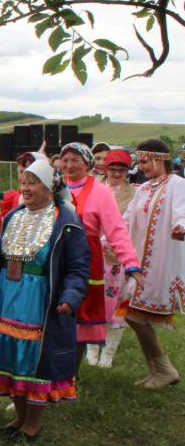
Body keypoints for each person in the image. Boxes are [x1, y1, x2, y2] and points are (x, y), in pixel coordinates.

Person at [0, 155, 89, 440]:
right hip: (8, 293)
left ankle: (33, 423)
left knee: (34, 356)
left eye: (33, 183)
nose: (25, 188)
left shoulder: (66, 221)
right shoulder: (14, 215)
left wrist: (71, 296)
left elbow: (78, 265)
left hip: (39, 297)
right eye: (23, 182)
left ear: (49, 188)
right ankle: (20, 416)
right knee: (13, 353)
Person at [59, 142, 142, 368]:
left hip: (85, 261)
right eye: (65, 160)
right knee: (51, 316)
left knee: (77, 317)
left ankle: (69, 375)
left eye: (75, 160)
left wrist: (131, 263)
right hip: (54, 260)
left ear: (88, 163)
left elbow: (116, 230)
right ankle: (48, 376)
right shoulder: (53, 187)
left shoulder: (100, 191)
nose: (69, 165)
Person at [121, 139, 185, 388]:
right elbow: (127, 220)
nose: (141, 165)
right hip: (140, 263)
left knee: (134, 314)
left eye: (145, 160)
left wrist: (181, 226)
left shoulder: (178, 184)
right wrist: (107, 240)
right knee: (133, 314)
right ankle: (157, 369)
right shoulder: (145, 188)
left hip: (161, 262)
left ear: (159, 159)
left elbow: (181, 211)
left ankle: (164, 369)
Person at [88, 149, 137, 367]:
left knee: (118, 304)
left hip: (118, 257)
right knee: (93, 300)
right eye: (113, 168)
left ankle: (108, 352)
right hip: (92, 254)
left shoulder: (135, 194)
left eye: (122, 169)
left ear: (128, 171)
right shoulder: (92, 188)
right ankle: (91, 348)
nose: (116, 173)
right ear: (105, 169)